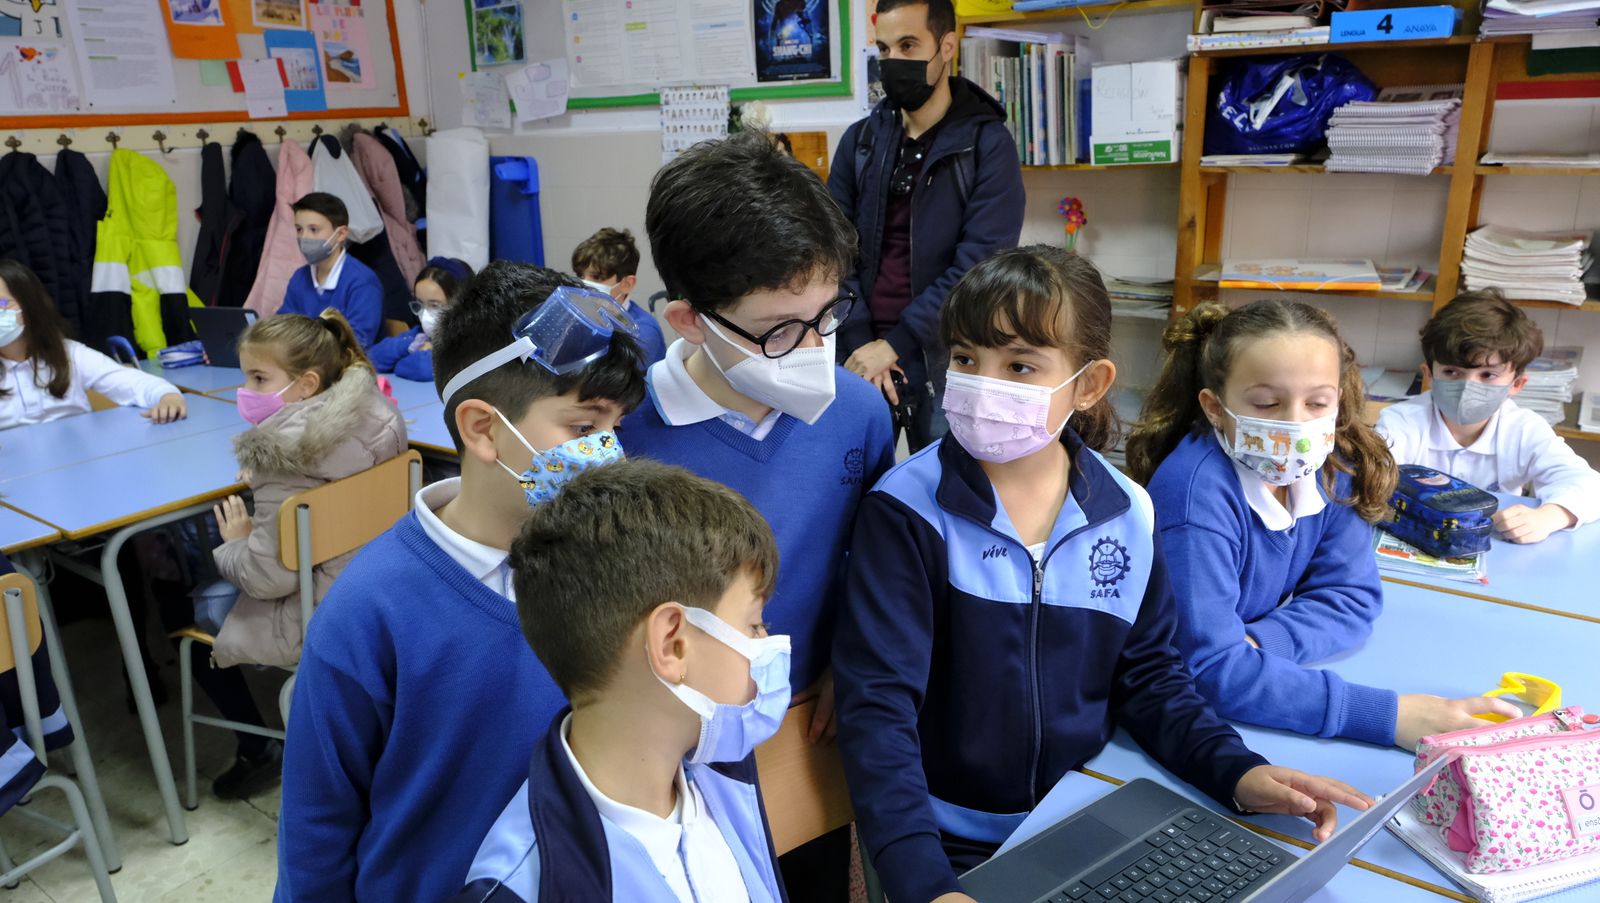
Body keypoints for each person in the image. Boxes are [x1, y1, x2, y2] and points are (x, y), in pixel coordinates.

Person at [834, 247, 1374, 903]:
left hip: (1088, 814)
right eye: (967, 358)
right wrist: (926, 882)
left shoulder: (1125, 508)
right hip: (950, 842)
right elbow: (878, 715)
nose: (981, 383)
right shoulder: (907, 511)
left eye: (1021, 364)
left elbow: (1150, 679)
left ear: (1088, 385)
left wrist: (1236, 770)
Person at [275, 263, 646, 903]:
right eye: (584, 429)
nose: (608, 453)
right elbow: (317, 828)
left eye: (616, 427)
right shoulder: (371, 611)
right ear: (481, 428)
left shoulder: (619, 563)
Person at [622, 129, 895, 903]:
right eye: (780, 329)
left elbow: (868, 564)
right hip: (668, 751)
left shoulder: (857, 416)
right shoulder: (623, 434)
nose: (815, 345)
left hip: (804, 733)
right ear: (687, 319)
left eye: (829, 311)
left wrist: (851, 658)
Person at [1126, 300, 1520, 753]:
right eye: (1267, 403)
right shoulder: (1195, 497)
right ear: (1216, 408)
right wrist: (1391, 716)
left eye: (1317, 402)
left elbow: (1350, 598)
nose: (1296, 423)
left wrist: (1260, 641)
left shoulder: (1332, 467)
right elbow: (1205, 671)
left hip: (1253, 671)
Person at [456, 460, 789, 902]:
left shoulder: (720, 772)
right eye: (754, 625)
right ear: (673, 644)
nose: (767, 645)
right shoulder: (521, 889)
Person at [190, 308, 407, 798]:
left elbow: (268, 580)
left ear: (307, 384)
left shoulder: (283, 459)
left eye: (258, 378)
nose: (244, 390)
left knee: (200, 603)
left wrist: (234, 543)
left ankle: (255, 746)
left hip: (322, 609)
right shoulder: (376, 412)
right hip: (383, 588)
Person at [828, 0, 1024, 451]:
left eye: (909, 44)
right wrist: (863, 346)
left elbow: (980, 266)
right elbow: (831, 252)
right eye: (884, 47)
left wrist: (895, 344)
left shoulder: (986, 145)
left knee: (943, 492)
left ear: (947, 46)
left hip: (944, 357)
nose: (893, 60)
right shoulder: (859, 142)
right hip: (855, 352)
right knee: (850, 495)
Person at [1377, 288, 1600, 543]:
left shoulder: (1524, 429)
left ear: (1517, 384)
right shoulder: (1401, 422)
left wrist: (1549, 517)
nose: (1468, 386)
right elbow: (1371, 480)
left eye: (1487, 375)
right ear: (1428, 374)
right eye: (1452, 372)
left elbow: (1589, 485)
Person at [0, 258, 185, 429]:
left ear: (30, 305)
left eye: (2, 303)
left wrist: (168, 397)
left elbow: (132, 383)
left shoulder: (69, 353)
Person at [279, 192, 384, 348]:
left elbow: (358, 341)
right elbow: (284, 325)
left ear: (341, 234)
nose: (304, 237)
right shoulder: (300, 277)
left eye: (314, 229)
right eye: (299, 229)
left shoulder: (362, 281)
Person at [369, 257, 476, 382]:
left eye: (434, 305)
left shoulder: (470, 341)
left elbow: (424, 369)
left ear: (460, 304)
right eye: (420, 304)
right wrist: (410, 346)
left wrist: (398, 364)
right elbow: (372, 358)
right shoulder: (420, 334)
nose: (425, 314)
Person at [572, 227, 668, 367]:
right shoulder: (582, 316)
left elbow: (612, 383)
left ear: (627, 284)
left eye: (597, 277)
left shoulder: (643, 331)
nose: (584, 284)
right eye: (580, 276)